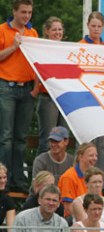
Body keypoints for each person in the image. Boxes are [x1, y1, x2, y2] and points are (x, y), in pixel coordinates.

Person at [0, 0, 39, 194]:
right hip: (6, 86)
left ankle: (17, 179)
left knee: (21, 138)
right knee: (6, 137)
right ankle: (3, 180)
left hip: (27, 89)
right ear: (14, 12)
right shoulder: (2, 30)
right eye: (23, 12)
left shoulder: (33, 33)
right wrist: (14, 46)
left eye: (29, 12)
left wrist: (37, 88)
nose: (26, 16)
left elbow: (37, 62)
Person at [79, 11, 104, 192]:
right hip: (85, 99)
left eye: (99, 26)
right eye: (93, 26)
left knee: (103, 145)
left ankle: (103, 184)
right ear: (88, 26)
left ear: (103, 27)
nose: (96, 29)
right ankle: (83, 182)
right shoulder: (79, 46)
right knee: (86, 142)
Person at [36, 16, 68, 155]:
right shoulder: (39, 48)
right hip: (48, 97)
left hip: (64, 98)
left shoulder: (67, 49)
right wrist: (35, 90)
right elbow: (36, 70)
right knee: (47, 140)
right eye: (54, 29)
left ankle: (61, 175)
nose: (58, 32)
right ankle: (40, 175)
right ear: (47, 31)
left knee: (64, 140)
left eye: (60, 29)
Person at [58, 142, 97, 217]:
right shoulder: (69, 177)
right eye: (91, 155)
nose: (95, 158)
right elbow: (68, 208)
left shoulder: (94, 176)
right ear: (80, 157)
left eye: (96, 155)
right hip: (72, 218)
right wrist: (86, 220)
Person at [0, 163, 15, 228]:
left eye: (4, 177)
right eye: (0, 178)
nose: (3, 181)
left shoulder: (7, 200)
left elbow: (11, 229)